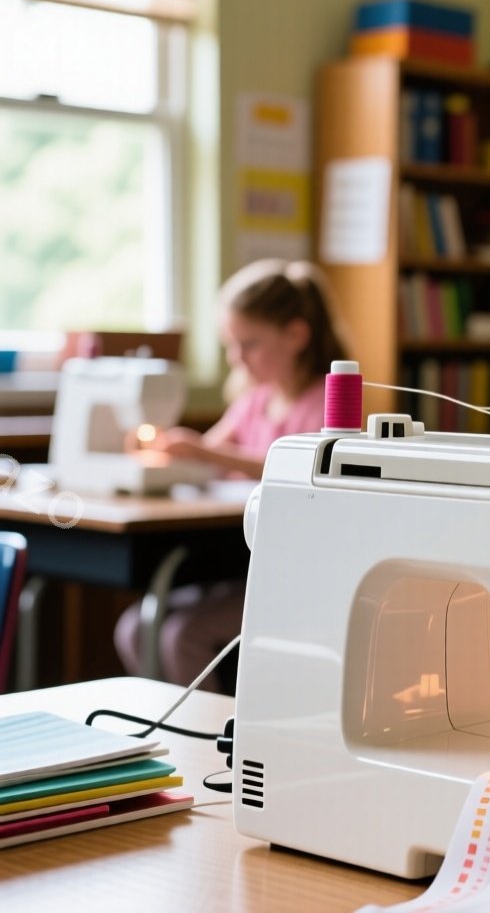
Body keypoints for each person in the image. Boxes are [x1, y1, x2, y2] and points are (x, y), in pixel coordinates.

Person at [114, 259, 350, 689]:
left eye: (249, 344)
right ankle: (169, 723)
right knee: (134, 628)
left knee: (182, 636)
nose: (236, 358)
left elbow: (296, 468)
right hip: (239, 565)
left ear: (296, 335)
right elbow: (211, 454)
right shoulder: (253, 401)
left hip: (296, 576)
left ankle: (203, 729)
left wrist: (200, 450)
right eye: (231, 345)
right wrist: (168, 450)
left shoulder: (325, 403)